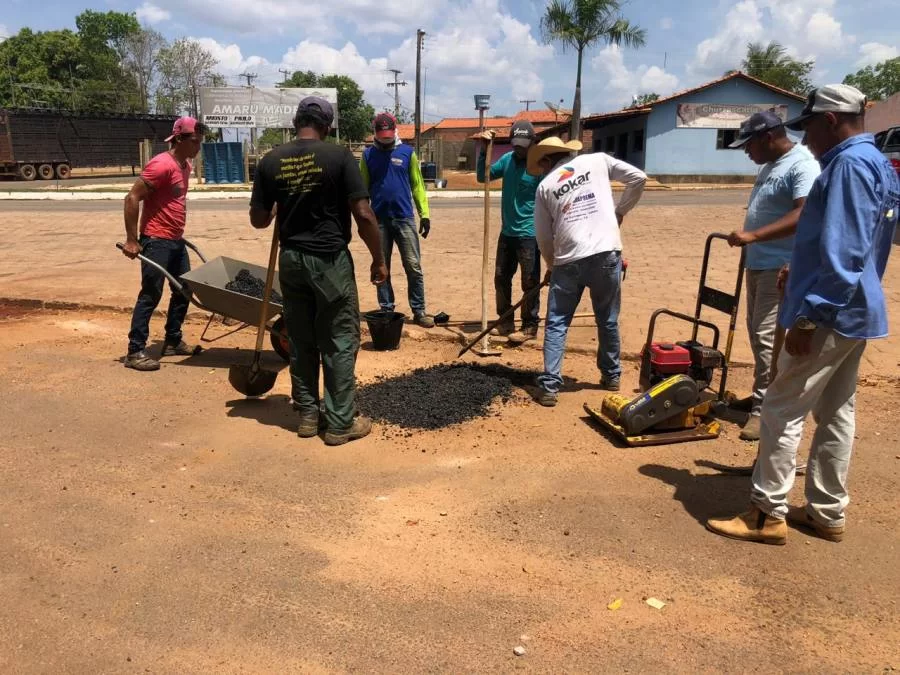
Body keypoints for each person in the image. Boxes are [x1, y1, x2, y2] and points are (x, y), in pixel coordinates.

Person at [707, 84, 899, 545]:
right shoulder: (876, 162)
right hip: (857, 309)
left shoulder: (848, 165)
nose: (806, 138)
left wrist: (811, 315)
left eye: (808, 126)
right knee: (836, 411)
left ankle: (766, 512)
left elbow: (847, 251)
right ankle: (827, 511)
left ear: (830, 120)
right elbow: (876, 242)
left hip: (830, 313)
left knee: (780, 405)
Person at [249, 97, 389, 446]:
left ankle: (309, 415)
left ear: (297, 122)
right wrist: (379, 258)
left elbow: (259, 220)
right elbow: (364, 214)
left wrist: (280, 203)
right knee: (340, 338)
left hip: (292, 259)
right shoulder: (339, 157)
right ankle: (340, 422)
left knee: (301, 338)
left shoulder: (271, 160)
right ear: (326, 126)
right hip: (328, 261)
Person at [530, 137, 647, 407]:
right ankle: (611, 375)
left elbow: (544, 238)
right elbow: (638, 178)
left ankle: (549, 386)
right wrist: (620, 212)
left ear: (548, 160)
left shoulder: (546, 185)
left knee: (557, 321)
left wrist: (551, 265)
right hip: (607, 253)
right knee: (607, 318)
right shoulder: (598, 161)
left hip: (568, 259)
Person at [725, 111, 821, 441]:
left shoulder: (802, 163)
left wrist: (755, 235)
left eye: (748, 146)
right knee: (757, 334)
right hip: (759, 263)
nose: (746, 153)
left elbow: (804, 212)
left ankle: (764, 409)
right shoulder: (769, 166)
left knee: (767, 337)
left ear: (768, 137)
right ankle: (760, 395)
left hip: (780, 265)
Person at [121, 116, 207, 371]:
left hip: (175, 241)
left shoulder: (185, 164)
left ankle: (172, 339)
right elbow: (132, 198)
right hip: (156, 240)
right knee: (151, 293)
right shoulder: (161, 165)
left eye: (200, 142)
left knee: (184, 289)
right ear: (179, 139)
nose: (198, 147)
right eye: (195, 141)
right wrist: (132, 240)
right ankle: (135, 351)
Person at [360, 113, 434, 327]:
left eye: (388, 136)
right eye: (381, 136)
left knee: (413, 265)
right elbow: (362, 190)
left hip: (404, 218)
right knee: (381, 266)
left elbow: (418, 185)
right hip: (379, 221)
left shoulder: (407, 153)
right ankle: (386, 308)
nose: (385, 139)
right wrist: (363, 220)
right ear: (375, 133)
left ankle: (419, 310)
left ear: (395, 132)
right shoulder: (367, 156)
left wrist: (425, 214)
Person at [476, 120, 543, 344]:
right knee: (501, 278)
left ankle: (529, 326)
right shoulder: (507, 160)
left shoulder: (538, 167)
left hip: (529, 234)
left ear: (533, 142)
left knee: (530, 281)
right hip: (507, 233)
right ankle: (505, 321)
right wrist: (485, 151)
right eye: (515, 144)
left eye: (523, 144)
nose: (518, 148)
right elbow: (483, 176)